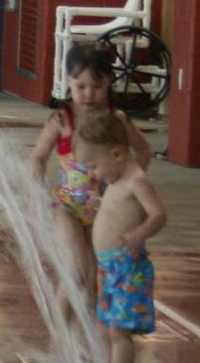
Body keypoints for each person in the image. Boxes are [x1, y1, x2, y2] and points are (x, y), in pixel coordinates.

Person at [30, 43, 151, 317]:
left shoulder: (115, 120)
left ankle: (84, 342)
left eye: (97, 86)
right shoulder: (63, 120)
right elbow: (38, 157)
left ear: (109, 82)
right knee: (76, 274)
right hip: (66, 209)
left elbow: (143, 150)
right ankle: (61, 341)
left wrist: (127, 184)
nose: (88, 94)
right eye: (81, 86)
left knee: (93, 280)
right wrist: (35, 192)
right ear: (68, 82)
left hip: (102, 211)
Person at [73, 111, 167, 363]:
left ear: (117, 153)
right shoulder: (115, 182)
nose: (94, 174)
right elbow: (117, 212)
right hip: (108, 268)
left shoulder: (136, 180)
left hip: (128, 268)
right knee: (104, 328)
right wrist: (99, 202)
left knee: (119, 331)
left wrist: (141, 233)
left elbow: (159, 214)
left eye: (95, 166)